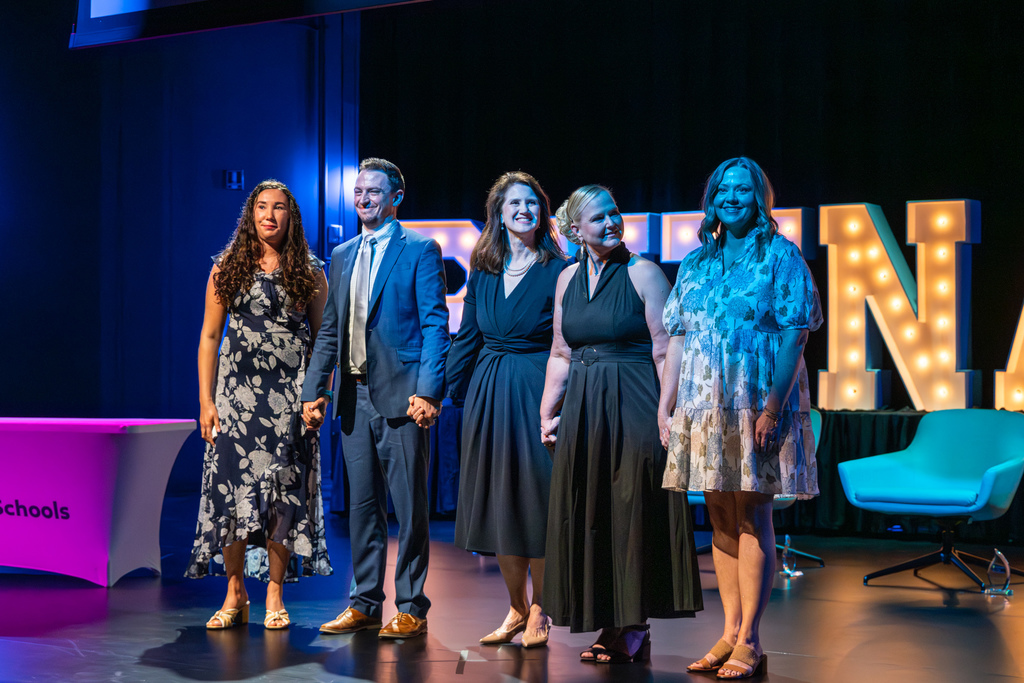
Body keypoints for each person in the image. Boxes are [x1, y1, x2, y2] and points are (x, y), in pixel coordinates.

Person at [659, 157, 822, 679]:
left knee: (753, 515)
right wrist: (669, 405)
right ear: (712, 199)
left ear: (760, 199)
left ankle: (750, 637)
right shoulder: (695, 264)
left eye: (743, 190)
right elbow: (678, 338)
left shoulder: (781, 255)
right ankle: (727, 632)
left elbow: (796, 334)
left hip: (756, 402)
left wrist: (773, 409)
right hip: (704, 404)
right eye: (723, 190)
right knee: (721, 518)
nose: (732, 198)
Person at [540, 185, 703, 663]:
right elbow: (560, 351)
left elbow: (665, 347)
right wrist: (548, 411)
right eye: (599, 218)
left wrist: (668, 412)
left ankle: (634, 625)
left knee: (631, 509)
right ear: (575, 230)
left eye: (615, 213)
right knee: (593, 513)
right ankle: (610, 621)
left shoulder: (644, 272)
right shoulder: (567, 277)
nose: (612, 222)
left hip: (634, 401)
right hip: (585, 409)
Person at [301, 157, 450, 639]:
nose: (363, 198)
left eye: (374, 191)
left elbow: (434, 325)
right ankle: (364, 602)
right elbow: (329, 330)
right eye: (358, 191)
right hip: (351, 397)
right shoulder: (341, 254)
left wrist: (429, 390)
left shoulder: (420, 249)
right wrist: (313, 392)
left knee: (409, 508)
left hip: (403, 398)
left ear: (395, 198)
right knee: (362, 508)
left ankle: (411, 605)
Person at [189, 179, 332, 631]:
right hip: (235, 399)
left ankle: (274, 591)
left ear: (292, 217)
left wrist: (318, 395)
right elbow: (210, 337)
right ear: (250, 214)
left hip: (289, 401)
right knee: (231, 495)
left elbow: (323, 341)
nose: (269, 214)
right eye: (262, 206)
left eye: (279, 208)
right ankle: (235, 593)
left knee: (283, 498)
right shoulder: (226, 266)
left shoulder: (310, 269)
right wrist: (206, 402)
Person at [444, 172, 567, 648]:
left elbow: (567, 343)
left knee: (536, 502)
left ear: (543, 212)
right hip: (488, 392)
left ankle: (542, 606)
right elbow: (468, 337)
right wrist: (443, 392)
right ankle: (516, 607)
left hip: (538, 388)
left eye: (532, 203)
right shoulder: (484, 269)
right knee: (499, 504)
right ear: (498, 212)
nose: (523, 211)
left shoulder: (560, 269)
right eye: (514, 203)